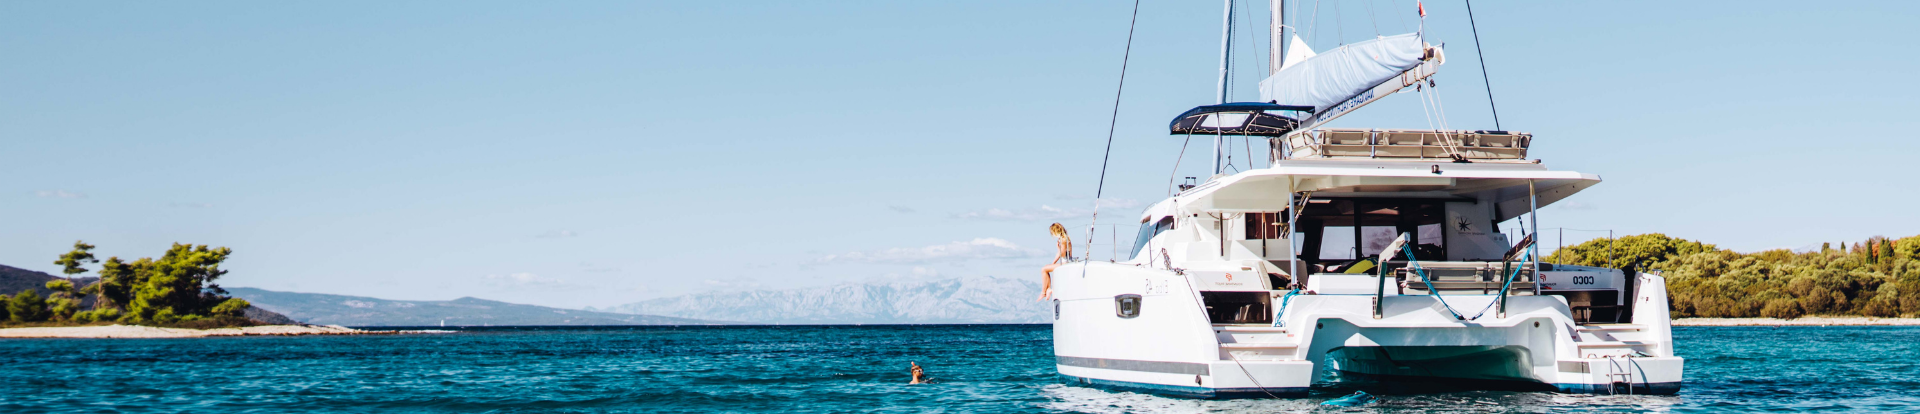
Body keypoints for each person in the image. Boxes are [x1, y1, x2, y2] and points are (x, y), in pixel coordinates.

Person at [1039, 223, 1072, 300]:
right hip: (1065, 261)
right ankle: (1049, 289)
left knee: (1043, 269)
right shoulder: (1064, 239)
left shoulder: (1064, 240)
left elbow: (1062, 253)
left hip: (1066, 263)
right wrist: (1053, 263)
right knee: (1047, 267)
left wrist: (1058, 248)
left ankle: (1044, 291)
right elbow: (1060, 253)